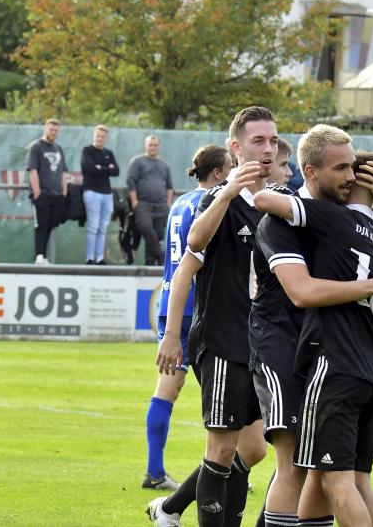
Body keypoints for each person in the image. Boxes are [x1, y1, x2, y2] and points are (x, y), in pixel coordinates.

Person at [253, 139, 373, 527]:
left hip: (334, 364)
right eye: (338, 168)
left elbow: (264, 202)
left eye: (349, 170)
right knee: (356, 481)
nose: (345, 178)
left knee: (336, 484)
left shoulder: (331, 218)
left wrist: (279, 191)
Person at [149, 106, 279, 527]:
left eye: (273, 141)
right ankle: (174, 511)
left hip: (261, 345)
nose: (268, 149)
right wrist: (172, 335)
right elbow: (191, 252)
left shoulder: (276, 203)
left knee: (254, 449)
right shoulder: (217, 200)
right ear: (236, 148)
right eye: (258, 141)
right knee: (221, 451)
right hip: (222, 342)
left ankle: (168, 508)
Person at [144, 145, 232, 493]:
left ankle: (155, 470)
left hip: (172, 302)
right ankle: (227, 469)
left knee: (169, 388)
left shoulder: (179, 203)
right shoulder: (210, 204)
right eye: (231, 167)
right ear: (217, 174)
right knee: (226, 390)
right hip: (199, 306)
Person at [28, 119, 69, 265]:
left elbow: (64, 171)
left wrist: (64, 190)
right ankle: (39, 255)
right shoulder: (37, 147)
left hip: (57, 195)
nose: (54, 133)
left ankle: (43, 255)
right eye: (51, 130)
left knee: (52, 223)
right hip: (43, 194)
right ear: (46, 129)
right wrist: (37, 191)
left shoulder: (58, 148)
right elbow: (32, 170)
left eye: (56, 130)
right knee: (42, 225)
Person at [128, 135, 174, 266]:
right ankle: (161, 256)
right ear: (146, 145)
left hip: (161, 205)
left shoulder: (164, 165)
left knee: (157, 235)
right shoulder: (137, 161)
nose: (152, 147)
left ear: (158, 146)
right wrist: (134, 202)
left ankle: (151, 264)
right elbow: (131, 181)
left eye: (155, 145)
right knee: (146, 228)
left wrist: (168, 203)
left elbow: (170, 186)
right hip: (143, 204)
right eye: (150, 145)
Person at [81, 125, 120, 264]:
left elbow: (116, 171)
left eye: (103, 136)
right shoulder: (87, 151)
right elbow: (90, 168)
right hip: (92, 192)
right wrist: (106, 168)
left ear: (106, 138)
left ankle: (100, 257)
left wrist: (100, 168)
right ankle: (90, 257)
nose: (100, 138)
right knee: (93, 226)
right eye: (98, 136)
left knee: (103, 227)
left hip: (106, 193)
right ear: (94, 135)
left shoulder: (108, 152)